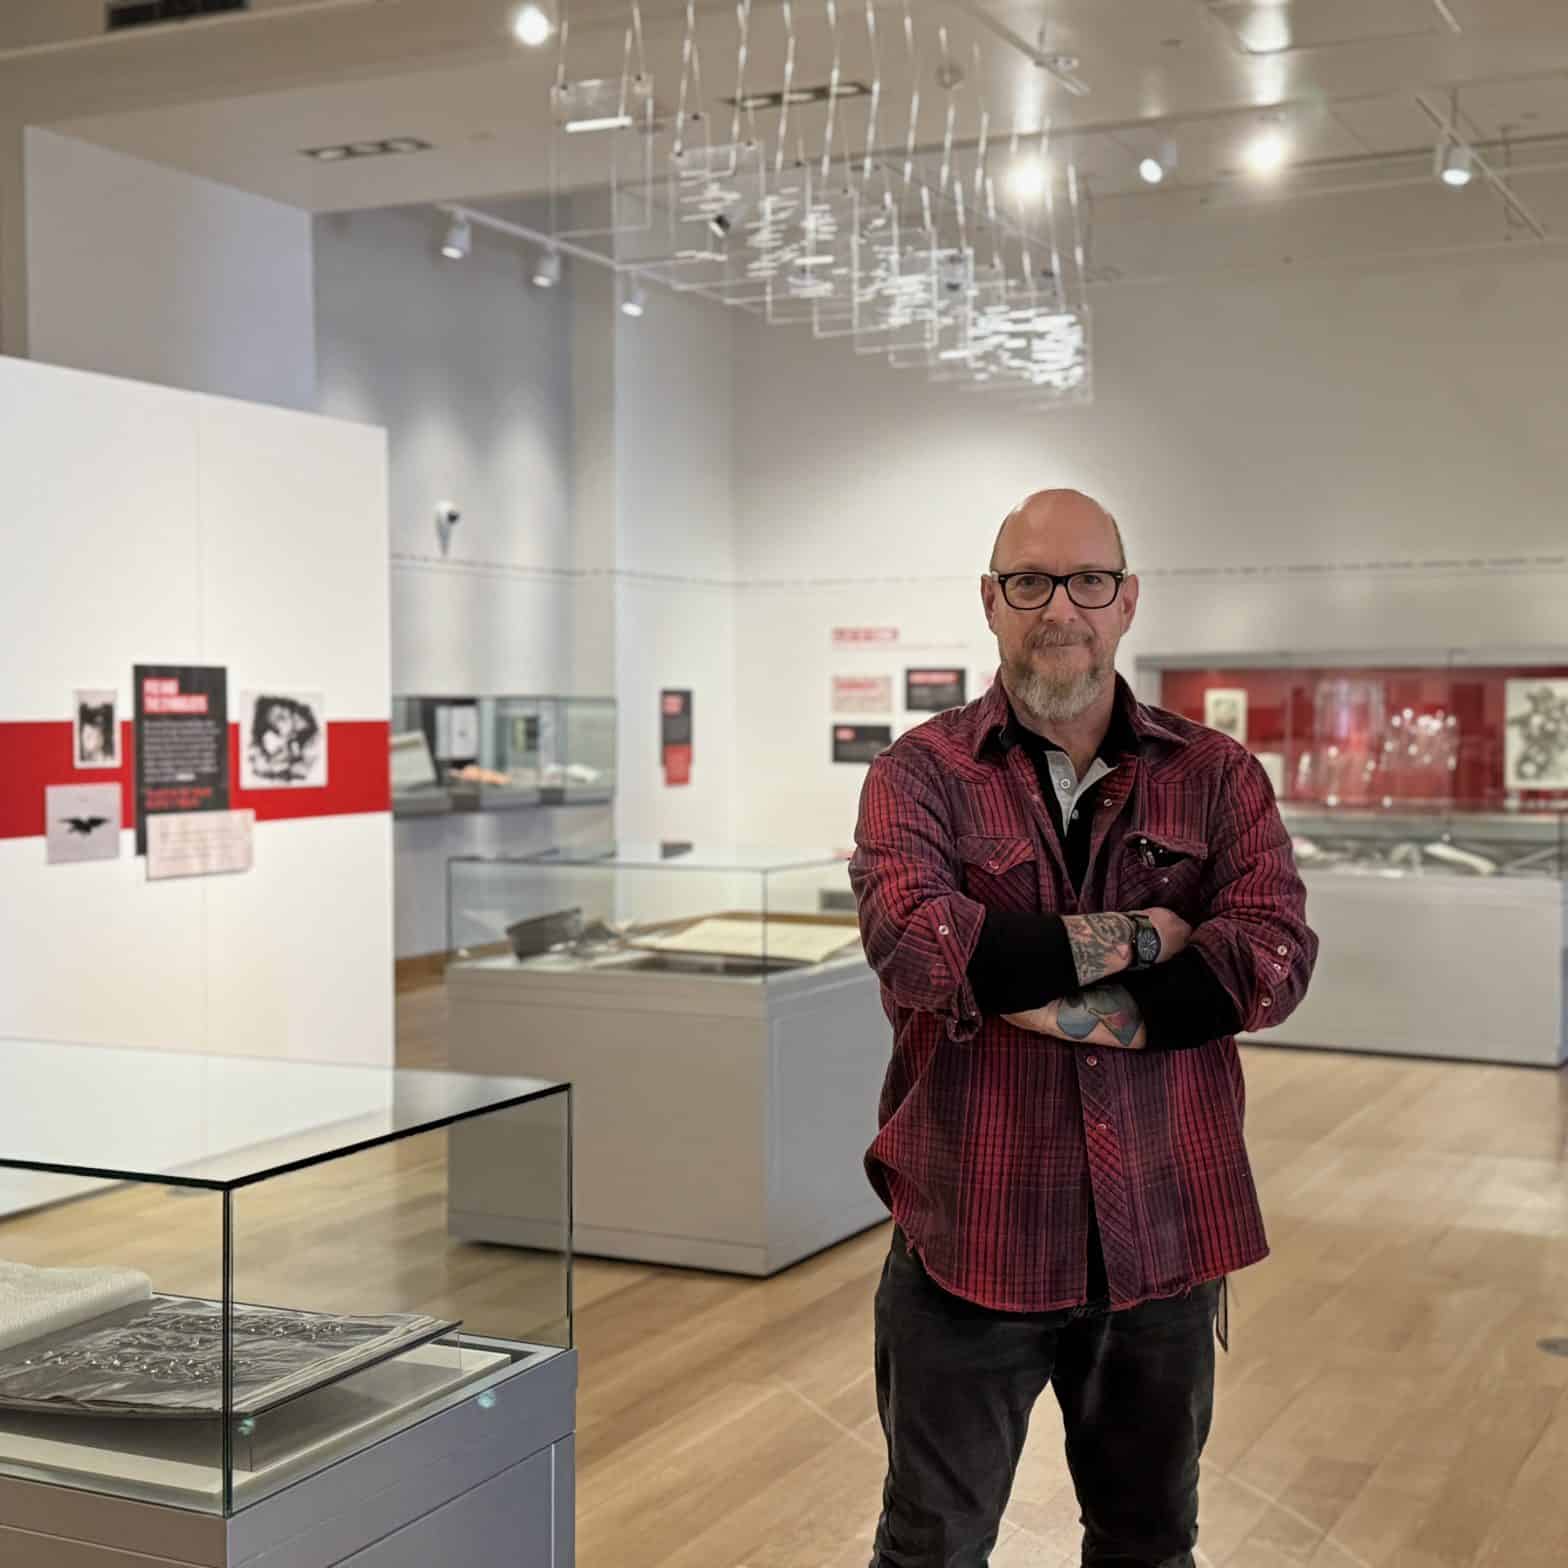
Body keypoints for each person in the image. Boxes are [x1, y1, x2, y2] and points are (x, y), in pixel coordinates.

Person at [849, 489, 1318, 1568]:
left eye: (1086, 581)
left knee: (1149, 1543)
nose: (1058, 607)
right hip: (969, 1237)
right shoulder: (914, 776)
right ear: (989, 601)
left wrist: (1014, 967)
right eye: (1027, 582)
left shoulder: (1216, 775)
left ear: (1126, 600)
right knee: (930, 1545)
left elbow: (1263, 963)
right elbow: (921, 949)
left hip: (1162, 1234)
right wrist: (1158, 936)